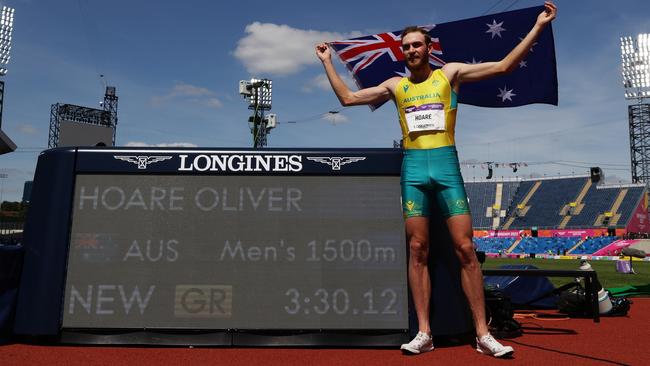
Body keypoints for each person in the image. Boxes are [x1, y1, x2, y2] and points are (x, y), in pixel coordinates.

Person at [315, 2, 557, 357]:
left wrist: (538, 26)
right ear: (403, 52)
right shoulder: (396, 85)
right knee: (417, 250)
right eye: (407, 46)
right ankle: (424, 333)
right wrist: (327, 62)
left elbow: (505, 66)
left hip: (446, 167)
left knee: (465, 249)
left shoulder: (450, 74)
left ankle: (482, 334)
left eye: (417, 44)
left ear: (429, 48)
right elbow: (348, 97)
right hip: (414, 169)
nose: (412, 50)